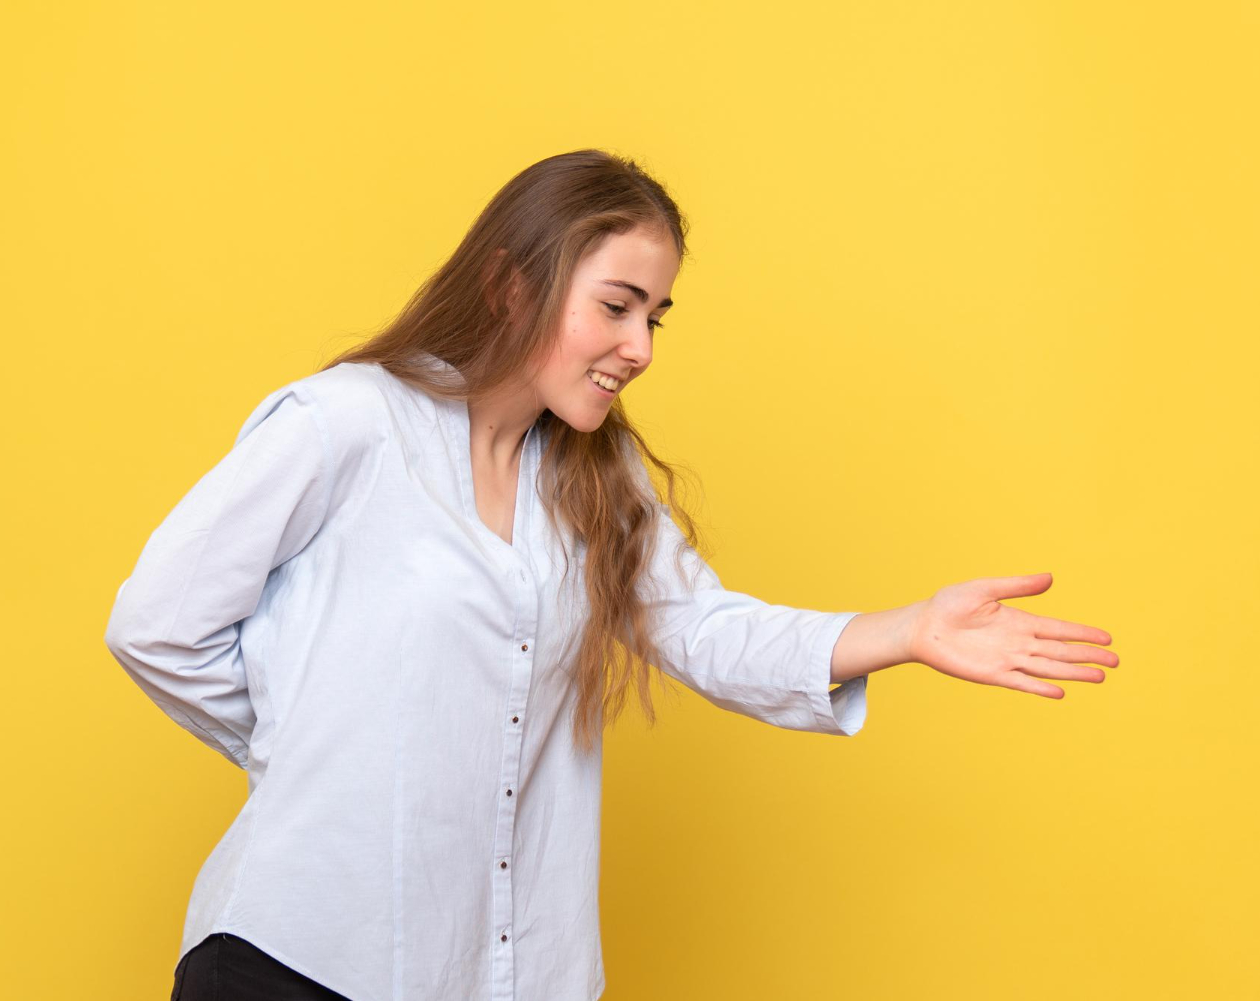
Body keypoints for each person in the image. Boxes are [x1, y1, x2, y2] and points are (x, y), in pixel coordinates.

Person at [104, 148, 1118, 1001]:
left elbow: (702, 627)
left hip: (507, 971)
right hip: (302, 953)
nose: (639, 347)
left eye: (656, 317)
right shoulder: (346, 424)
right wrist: (310, 751)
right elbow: (158, 622)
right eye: (618, 306)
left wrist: (906, 628)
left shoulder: (598, 474)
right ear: (513, 284)